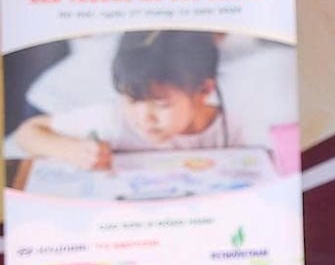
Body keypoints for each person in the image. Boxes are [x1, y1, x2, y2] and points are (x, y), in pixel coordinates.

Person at [10, 30, 250, 169]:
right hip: (48, 100)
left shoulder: (231, 125)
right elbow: (28, 132)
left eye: (162, 104)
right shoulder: (113, 121)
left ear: (204, 90)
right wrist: (70, 150)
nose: (144, 118)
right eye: (133, 100)